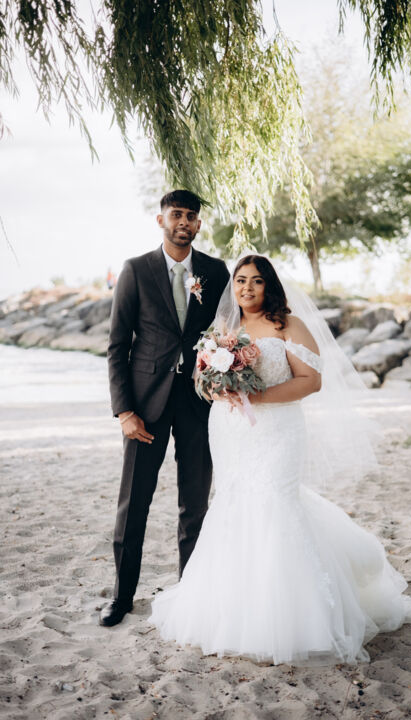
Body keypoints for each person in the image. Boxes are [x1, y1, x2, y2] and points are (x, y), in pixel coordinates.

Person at [149, 255, 411, 665]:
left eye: (256, 281)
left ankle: (290, 615)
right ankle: (235, 610)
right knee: (233, 503)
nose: (247, 288)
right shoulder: (223, 328)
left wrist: (257, 397)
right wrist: (215, 388)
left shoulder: (288, 325)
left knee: (275, 502)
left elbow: (311, 381)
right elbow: (202, 380)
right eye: (241, 280)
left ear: (269, 286)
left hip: (277, 430)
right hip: (230, 429)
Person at [100, 190, 230, 627]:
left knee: (195, 506)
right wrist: (124, 411)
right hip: (145, 407)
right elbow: (117, 346)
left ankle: (191, 596)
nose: (184, 222)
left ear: (198, 224)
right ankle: (121, 598)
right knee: (133, 504)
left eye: (191, 216)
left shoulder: (215, 271)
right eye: (177, 214)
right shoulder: (136, 270)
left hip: (199, 404)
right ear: (161, 220)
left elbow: (226, 332)